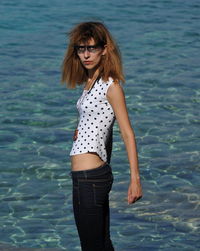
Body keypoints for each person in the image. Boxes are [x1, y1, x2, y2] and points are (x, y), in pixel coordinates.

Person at [61, 21, 142, 251]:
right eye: (81, 48)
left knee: (92, 246)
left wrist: (134, 179)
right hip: (87, 176)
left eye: (92, 48)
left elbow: (127, 132)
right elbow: (102, 125)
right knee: (100, 244)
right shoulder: (89, 83)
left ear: (104, 49)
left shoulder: (110, 85)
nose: (86, 54)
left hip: (91, 178)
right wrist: (82, 133)